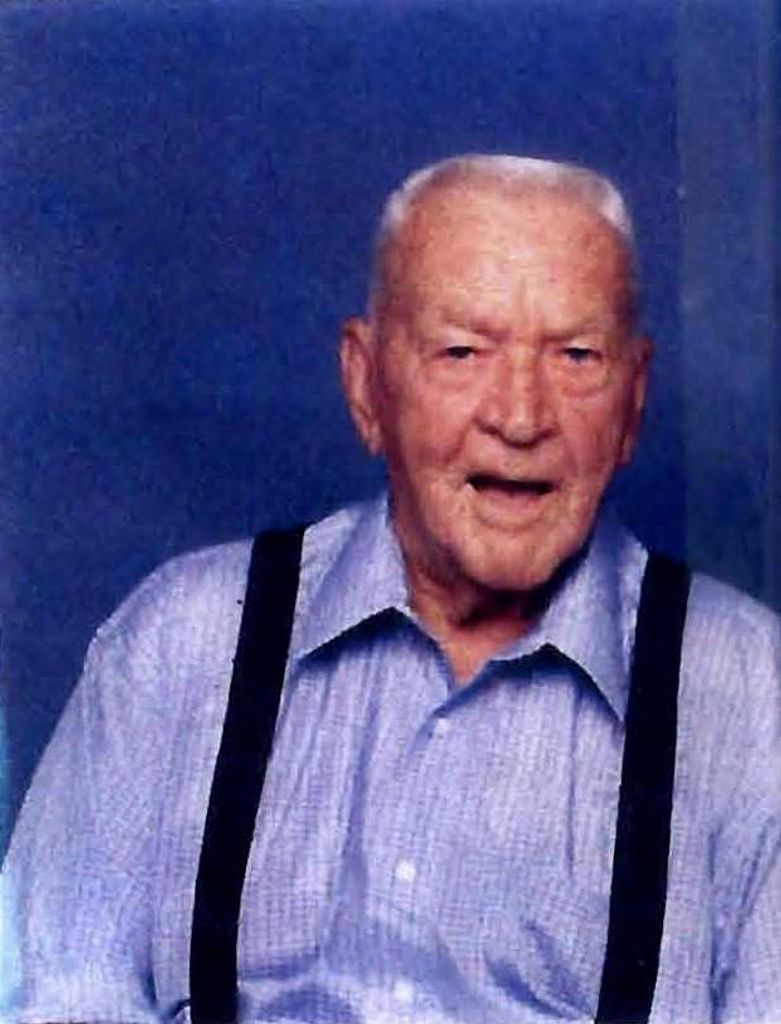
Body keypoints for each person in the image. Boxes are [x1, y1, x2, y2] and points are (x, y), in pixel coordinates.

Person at [3, 155, 780, 1024]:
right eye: (462, 352)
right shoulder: (178, 645)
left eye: (575, 355)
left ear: (632, 402)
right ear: (364, 382)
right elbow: (68, 1000)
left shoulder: (753, 697)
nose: (520, 416)